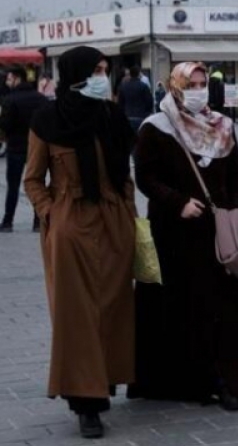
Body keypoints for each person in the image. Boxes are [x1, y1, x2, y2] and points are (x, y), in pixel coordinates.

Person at [22, 46, 137, 439]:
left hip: (114, 224)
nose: (104, 77)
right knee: (77, 317)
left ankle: (103, 383)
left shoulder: (111, 116)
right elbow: (33, 178)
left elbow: (124, 171)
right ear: (76, 75)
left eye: (106, 69)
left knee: (111, 309)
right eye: (97, 70)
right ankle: (85, 403)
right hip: (71, 227)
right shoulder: (47, 120)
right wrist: (53, 214)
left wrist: (128, 211)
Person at [129, 62, 238, 411]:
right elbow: (146, 178)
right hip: (174, 234)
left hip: (218, 234)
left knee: (223, 309)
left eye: (202, 83)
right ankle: (182, 381)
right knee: (179, 306)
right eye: (191, 84)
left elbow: (237, 175)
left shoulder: (222, 126)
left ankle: (227, 381)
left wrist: (237, 212)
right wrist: (178, 202)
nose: (198, 90)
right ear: (175, 86)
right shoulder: (157, 128)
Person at [0, 66, 47, 231]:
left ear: (16, 78)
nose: (7, 81)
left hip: (15, 147)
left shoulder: (10, 100)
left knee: (13, 186)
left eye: (9, 78)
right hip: (37, 147)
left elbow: (5, 125)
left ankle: (7, 222)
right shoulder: (41, 99)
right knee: (37, 183)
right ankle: (38, 222)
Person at [117, 67, 154, 134]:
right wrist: (148, 113)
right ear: (138, 74)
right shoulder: (144, 86)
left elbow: (120, 103)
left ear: (130, 74)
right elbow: (149, 102)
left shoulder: (123, 87)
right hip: (141, 116)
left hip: (127, 116)